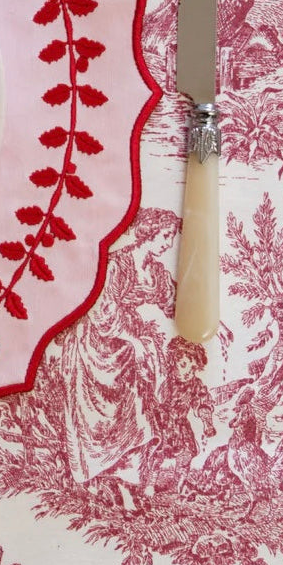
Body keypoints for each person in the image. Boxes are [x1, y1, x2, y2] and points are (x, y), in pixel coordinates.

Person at [57, 206, 180, 500]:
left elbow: (177, 303)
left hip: (128, 346)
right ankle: (105, 482)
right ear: (148, 233)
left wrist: (220, 326)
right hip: (96, 345)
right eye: (165, 235)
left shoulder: (156, 271)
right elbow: (102, 309)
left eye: (172, 237)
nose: (169, 243)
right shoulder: (117, 265)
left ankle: (131, 481)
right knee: (100, 418)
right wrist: (133, 341)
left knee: (136, 410)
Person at [139, 337, 216, 493]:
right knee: (156, 453)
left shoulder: (195, 384)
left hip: (180, 424)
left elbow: (202, 403)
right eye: (184, 365)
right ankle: (150, 484)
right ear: (173, 361)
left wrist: (207, 423)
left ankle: (178, 484)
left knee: (186, 454)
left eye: (193, 369)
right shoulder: (165, 380)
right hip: (161, 422)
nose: (188, 372)